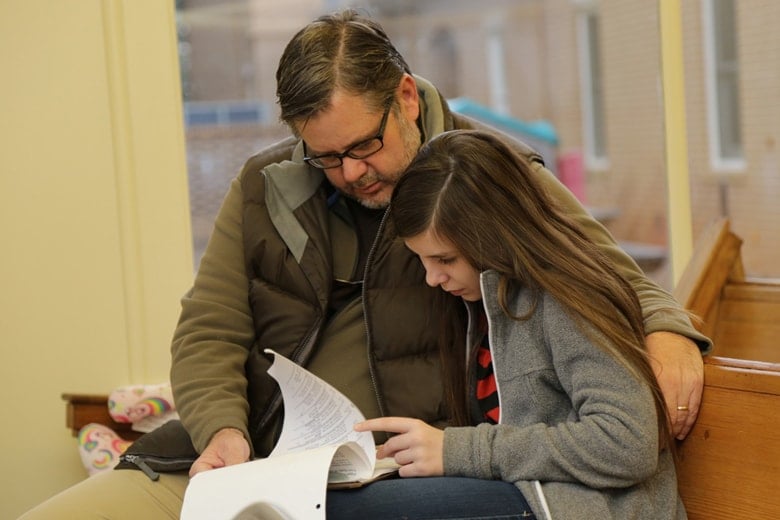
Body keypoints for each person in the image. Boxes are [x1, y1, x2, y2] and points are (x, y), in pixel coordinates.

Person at [20, 8, 709, 519]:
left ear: (406, 98)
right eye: (325, 156)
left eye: (364, 146)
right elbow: (208, 330)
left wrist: (671, 330)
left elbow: (590, 270)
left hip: (389, 473)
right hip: (254, 458)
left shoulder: (484, 180)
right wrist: (223, 433)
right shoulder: (263, 189)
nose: (351, 172)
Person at [343, 129, 687, 518]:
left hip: (587, 507)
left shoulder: (565, 298)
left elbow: (628, 442)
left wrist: (459, 451)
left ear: (495, 236)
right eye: (422, 259)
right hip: (532, 495)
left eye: (445, 260)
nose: (431, 279)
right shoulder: (481, 302)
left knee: (353, 512)